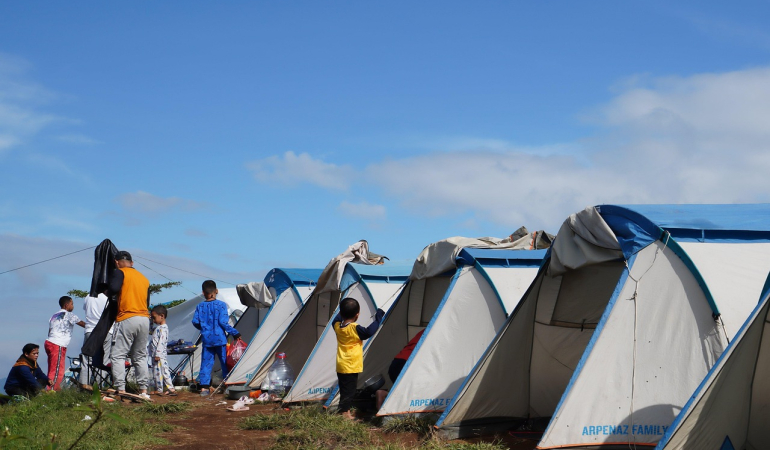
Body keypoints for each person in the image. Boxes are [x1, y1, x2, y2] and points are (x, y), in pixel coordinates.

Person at [107, 250, 151, 399]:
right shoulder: (144, 278)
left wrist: (107, 291)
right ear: (132, 263)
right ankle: (144, 390)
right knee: (140, 356)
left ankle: (121, 389)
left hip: (127, 317)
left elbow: (114, 289)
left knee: (118, 355)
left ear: (116, 262)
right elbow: (147, 301)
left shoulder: (120, 272)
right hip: (144, 318)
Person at [332, 297, 384, 420]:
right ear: (357, 315)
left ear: (341, 313)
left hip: (341, 364)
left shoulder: (338, 327)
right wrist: (379, 317)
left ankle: (344, 410)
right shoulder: (354, 328)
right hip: (351, 365)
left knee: (344, 389)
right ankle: (345, 414)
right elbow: (369, 332)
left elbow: (336, 320)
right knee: (350, 391)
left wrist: (341, 311)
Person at [192, 280, 241, 396]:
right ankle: (228, 385)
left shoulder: (200, 306)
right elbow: (223, 322)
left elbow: (195, 321)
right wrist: (235, 333)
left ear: (203, 293)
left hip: (207, 340)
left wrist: (204, 328)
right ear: (216, 291)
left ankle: (204, 388)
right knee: (224, 361)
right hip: (220, 339)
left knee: (206, 363)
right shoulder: (221, 305)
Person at [375, 329, 424, 409]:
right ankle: (385, 395)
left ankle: (384, 396)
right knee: (410, 392)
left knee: (403, 391)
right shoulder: (435, 331)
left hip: (397, 362)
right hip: (407, 363)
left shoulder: (425, 330)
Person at [45, 296, 85, 390]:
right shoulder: (69, 315)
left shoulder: (54, 316)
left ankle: (52, 388)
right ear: (66, 305)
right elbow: (83, 324)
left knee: (52, 368)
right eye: (72, 304)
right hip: (58, 344)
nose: (73, 306)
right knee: (58, 369)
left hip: (49, 342)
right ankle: (52, 390)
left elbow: (50, 331)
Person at [79, 283, 110, 388]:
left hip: (90, 330)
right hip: (105, 331)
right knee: (103, 360)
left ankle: (84, 384)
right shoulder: (107, 299)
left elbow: (85, 309)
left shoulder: (88, 297)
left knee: (86, 360)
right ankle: (100, 386)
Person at [148, 305, 177, 396]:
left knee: (162, 372)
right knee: (158, 372)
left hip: (159, 355)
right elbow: (150, 331)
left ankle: (167, 388)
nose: (153, 320)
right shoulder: (158, 328)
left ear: (162, 316)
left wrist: (158, 354)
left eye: (154, 318)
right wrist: (150, 321)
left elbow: (162, 342)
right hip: (155, 355)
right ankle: (161, 389)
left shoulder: (163, 329)